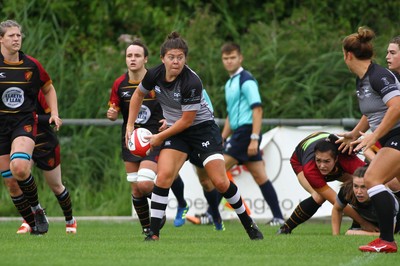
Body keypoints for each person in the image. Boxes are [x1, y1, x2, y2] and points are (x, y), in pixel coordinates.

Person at [125, 31, 263, 241]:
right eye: (171, 57)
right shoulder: (153, 74)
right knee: (163, 177)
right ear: (162, 59)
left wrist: (160, 137)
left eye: (180, 57)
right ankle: (153, 233)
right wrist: (129, 125)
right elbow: (137, 95)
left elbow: (187, 121)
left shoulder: (191, 82)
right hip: (177, 133)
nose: (176, 61)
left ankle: (248, 224)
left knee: (219, 182)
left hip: (202, 131)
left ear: (185, 59)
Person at [107, 39, 189, 234]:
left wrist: (168, 121)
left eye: (137, 55)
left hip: (155, 139)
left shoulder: (156, 79)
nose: (132, 59)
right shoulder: (119, 83)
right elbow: (114, 107)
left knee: (145, 183)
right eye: (129, 56)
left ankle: (166, 205)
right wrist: (112, 114)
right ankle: (147, 229)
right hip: (130, 140)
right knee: (137, 190)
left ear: (145, 59)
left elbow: (174, 105)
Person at [337, 26, 400, 253]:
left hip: (397, 136)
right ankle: (386, 239)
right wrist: (355, 133)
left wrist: (374, 135)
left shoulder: (378, 75)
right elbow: (372, 111)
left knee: (373, 178)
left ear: (348, 55)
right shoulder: (363, 78)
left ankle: (386, 240)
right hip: (391, 137)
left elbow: (397, 107)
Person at [0, 19, 62, 234]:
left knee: (20, 167)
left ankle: (37, 209)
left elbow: (49, 89)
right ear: (1, 39)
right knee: (11, 183)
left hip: (23, 123)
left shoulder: (32, 65)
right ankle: (33, 224)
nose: (16, 39)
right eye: (11, 36)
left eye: (18, 35)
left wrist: (54, 113)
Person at [218, 42, 284, 226]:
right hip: (239, 132)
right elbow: (232, 115)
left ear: (240, 58)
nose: (229, 61)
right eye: (226, 58)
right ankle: (278, 217)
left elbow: (257, 110)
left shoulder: (246, 80)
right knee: (260, 177)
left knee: (218, 171)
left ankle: (210, 214)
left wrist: (254, 138)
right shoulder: (230, 82)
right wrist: (222, 137)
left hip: (247, 133)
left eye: (232, 58)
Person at [277, 132, 377, 235]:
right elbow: (336, 202)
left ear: (336, 159)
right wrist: (364, 222)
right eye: (318, 161)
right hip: (299, 161)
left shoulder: (346, 158)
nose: (322, 166)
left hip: (332, 153)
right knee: (319, 197)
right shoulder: (310, 168)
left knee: (357, 184)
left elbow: (374, 178)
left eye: (326, 161)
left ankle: (357, 224)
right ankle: (285, 228)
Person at [16, 91, 77, 234]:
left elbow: (53, 118)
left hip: (45, 144)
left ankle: (70, 220)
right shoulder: (11, 91)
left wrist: (32, 117)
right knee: (20, 174)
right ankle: (30, 220)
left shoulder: (39, 93)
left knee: (56, 186)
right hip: (24, 143)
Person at [332, 166, 400, 236]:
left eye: (363, 187)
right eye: (355, 186)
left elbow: (390, 233)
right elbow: (337, 209)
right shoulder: (347, 190)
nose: (358, 192)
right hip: (365, 220)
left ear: (373, 185)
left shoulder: (385, 198)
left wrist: (355, 233)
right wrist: (336, 235)